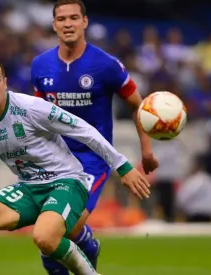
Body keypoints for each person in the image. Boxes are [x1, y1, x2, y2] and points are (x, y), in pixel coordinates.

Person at [0, 53, 151, 275]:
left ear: (5, 82)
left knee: (44, 238)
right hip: (29, 188)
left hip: (67, 182)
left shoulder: (31, 108)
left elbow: (84, 130)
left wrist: (122, 165)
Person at [30, 0, 159, 272]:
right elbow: (38, 115)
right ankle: (86, 245)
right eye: (62, 19)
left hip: (92, 158)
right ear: (54, 25)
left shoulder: (106, 65)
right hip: (54, 159)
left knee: (66, 226)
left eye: (74, 18)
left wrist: (146, 151)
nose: (68, 24)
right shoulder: (40, 66)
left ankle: (87, 244)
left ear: (84, 22)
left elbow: (139, 105)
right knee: (49, 235)